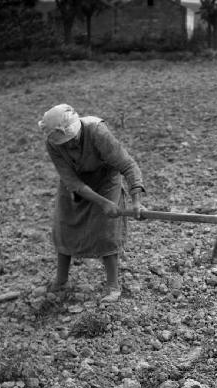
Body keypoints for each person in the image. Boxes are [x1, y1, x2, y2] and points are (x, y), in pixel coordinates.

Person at [38, 103, 145, 302]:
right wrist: (102, 203)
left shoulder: (97, 132)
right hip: (76, 184)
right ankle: (61, 280)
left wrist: (136, 200)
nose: (69, 145)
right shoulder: (52, 143)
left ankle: (113, 285)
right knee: (64, 227)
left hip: (105, 179)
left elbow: (128, 165)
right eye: (64, 143)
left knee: (107, 230)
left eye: (72, 140)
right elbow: (71, 181)